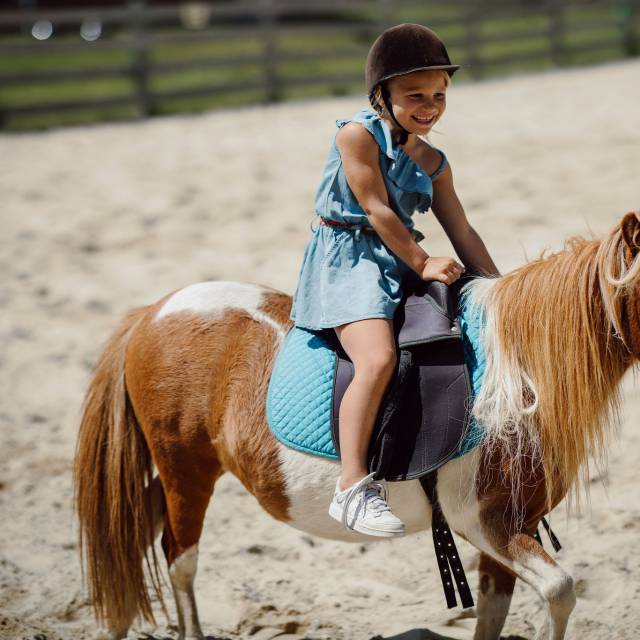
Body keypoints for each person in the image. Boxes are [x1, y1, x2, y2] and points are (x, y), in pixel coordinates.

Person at [289, 23, 499, 537]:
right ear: (382, 94)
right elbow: (376, 207)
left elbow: (462, 227)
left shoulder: (433, 162)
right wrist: (424, 261)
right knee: (377, 357)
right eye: (415, 95)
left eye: (439, 95)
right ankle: (352, 485)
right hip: (350, 260)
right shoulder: (355, 135)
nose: (429, 106)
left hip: (398, 257)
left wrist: (498, 286)